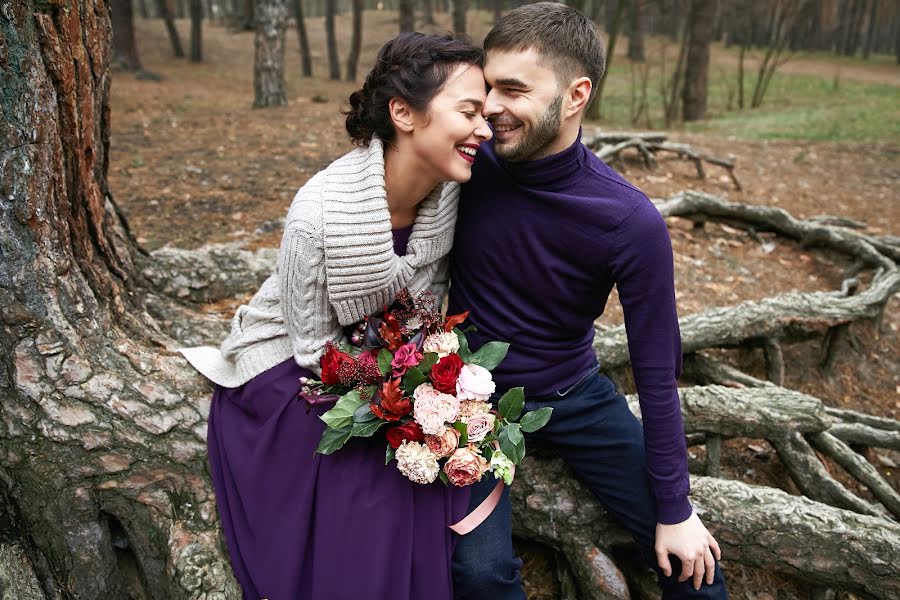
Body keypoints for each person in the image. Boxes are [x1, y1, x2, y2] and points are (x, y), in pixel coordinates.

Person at [179, 32, 492, 600]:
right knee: (371, 469)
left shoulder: (448, 192)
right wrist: (400, 400)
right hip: (295, 367)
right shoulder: (318, 215)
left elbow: (425, 308)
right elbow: (312, 350)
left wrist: (431, 392)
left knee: (427, 455)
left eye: (485, 113)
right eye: (468, 112)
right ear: (404, 113)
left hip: (385, 357)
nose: (484, 129)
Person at [447, 4, 729, 599]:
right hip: (465, 400)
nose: (491, 106)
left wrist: (676, 509)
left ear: (576, 94)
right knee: (479, 573)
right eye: (487, 85)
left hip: (573, 395)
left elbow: (656, 374)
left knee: (696, 571)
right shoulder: (468, 165)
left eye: (514, 89)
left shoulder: (628, 220)